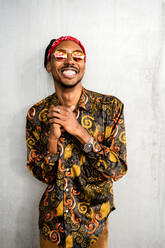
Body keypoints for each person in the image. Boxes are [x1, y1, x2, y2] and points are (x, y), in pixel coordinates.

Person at [26, 36, 128, 248]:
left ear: (84, 64)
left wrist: (80, 132)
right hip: (52, 227)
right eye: (60, 56)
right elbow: (43, 175)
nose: (70, 61)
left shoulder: (110, 107)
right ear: (48, 65)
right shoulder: (36, 114)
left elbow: (117, 169)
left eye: (77, 56)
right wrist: (53, 140)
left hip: (94, 225)